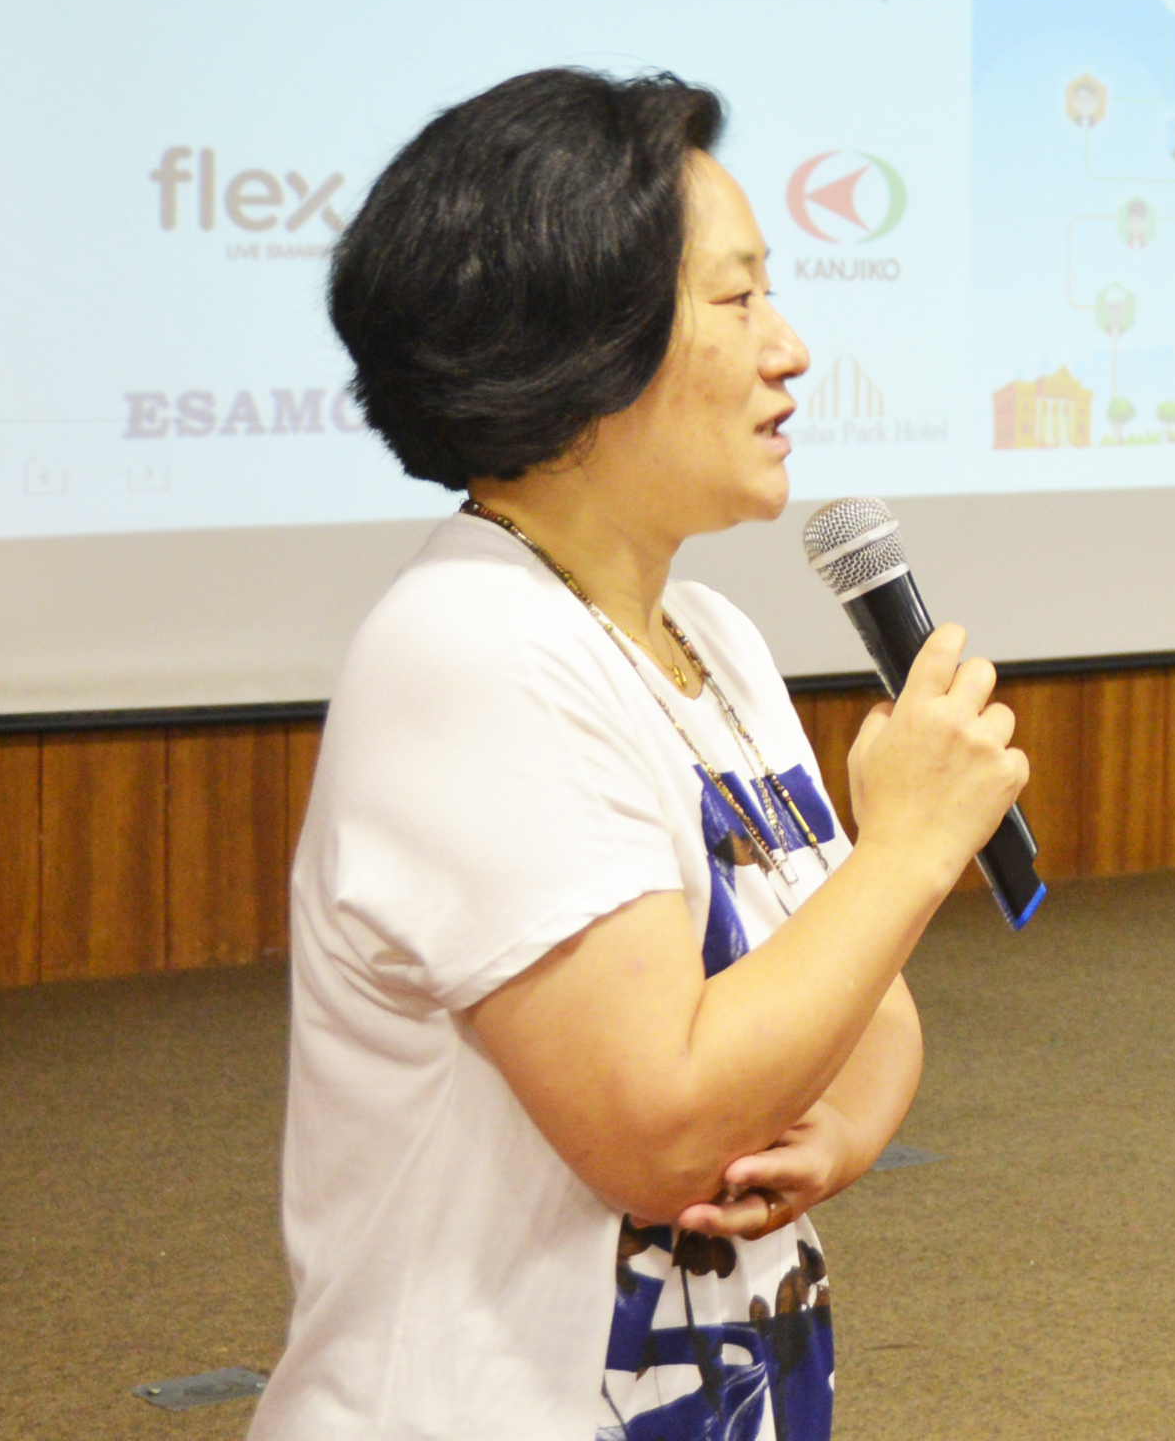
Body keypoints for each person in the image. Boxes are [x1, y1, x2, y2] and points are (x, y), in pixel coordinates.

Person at [251, 69, 1028, 1441]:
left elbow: (863, 1010)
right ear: (584, 348)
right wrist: (910, 847)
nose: (790, 349)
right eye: (737, 301)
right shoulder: (474, 648)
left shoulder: (709, 637)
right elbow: (661, 1133)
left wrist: (843, 1130)